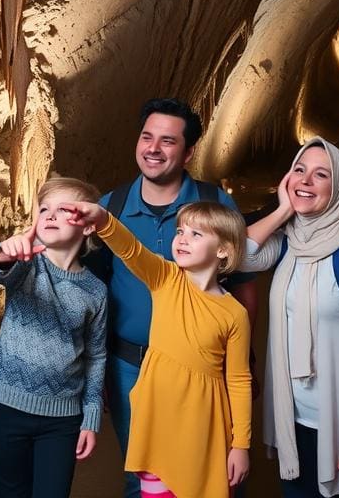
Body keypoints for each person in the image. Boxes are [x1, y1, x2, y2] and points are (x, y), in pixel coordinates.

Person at [88, 97, 258, 498]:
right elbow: (106, 273)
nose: (153, 148)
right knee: (143, 475)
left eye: (167, 141)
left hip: (206, 376)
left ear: (188, 152)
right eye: (147, 137)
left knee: (208, 474)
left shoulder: (214, 205)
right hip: (131, 367)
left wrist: (246, 358)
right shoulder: (112, 206)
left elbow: (244, 282)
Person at [241, 137, 339, 498]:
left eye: (321, 175)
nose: (306, 180)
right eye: (300, 170)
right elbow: (236, 257)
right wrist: (282, 210)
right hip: (293, 424)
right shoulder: (288, 244)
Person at [66, 199, 251, 498]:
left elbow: (239, 381)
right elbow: (132, 250)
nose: (182, 239)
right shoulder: (165, 278)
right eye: (180, 231)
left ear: (223, 250)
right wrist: (103, 220)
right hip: (157, 418)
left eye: (196, 234)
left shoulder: (234, 314)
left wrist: (241, 444)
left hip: (204, 425)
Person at [0, 177, 108, 498]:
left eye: (63, 210)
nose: (49, 216)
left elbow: (96, 356)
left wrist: (91, 417)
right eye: (43, 209)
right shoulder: (26, 266)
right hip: (6, 405)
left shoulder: (96, 291)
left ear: (89, 226)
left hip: (62, 419)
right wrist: (4, 252)